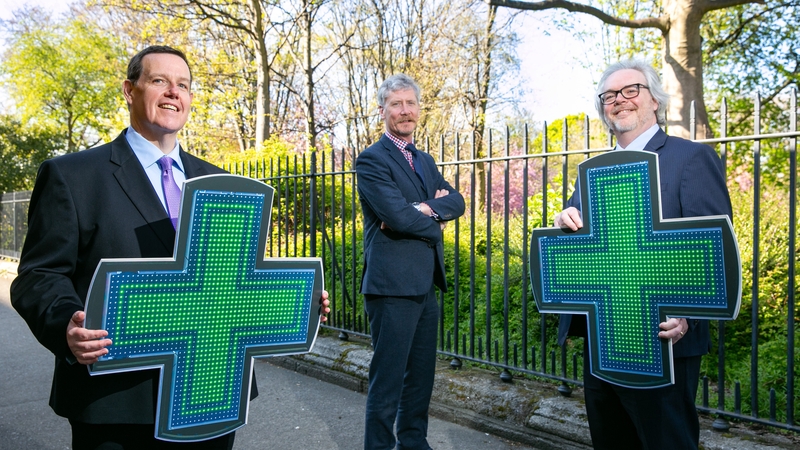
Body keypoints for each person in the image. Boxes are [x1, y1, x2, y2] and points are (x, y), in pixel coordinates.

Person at [10, 45, 330, 449]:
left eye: (183, 84)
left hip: (211, 391)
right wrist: (66, 326)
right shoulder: (73, 175)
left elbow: (233, 280)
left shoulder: (219, 181)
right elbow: (39, 275)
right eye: (159, 80)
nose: (173, 92)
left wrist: (297, 302)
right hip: (118, 401)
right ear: (129, 90)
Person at [553, 59, 732, 449]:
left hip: (664, 340)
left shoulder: (690, 157)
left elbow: (711, 248)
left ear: (655, 100)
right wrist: (564, 219)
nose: (619, 100)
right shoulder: (592, 170)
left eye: (631, 90)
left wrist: (687, 315)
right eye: (609, 96)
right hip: (604, 341)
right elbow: (580, 247)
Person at [356, 74, 465, 450]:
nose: (405, 111)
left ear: (419, 108)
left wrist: (420, 209)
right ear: (382, 110)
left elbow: (457, 201)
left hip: (424, 284)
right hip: (390, 286)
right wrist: (434, 220)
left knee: (420, 379)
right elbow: (396, 217)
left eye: (411, 103)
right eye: (396, 104)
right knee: (388, 381)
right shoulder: (372, 160)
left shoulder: (425, 160)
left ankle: (414, 443)